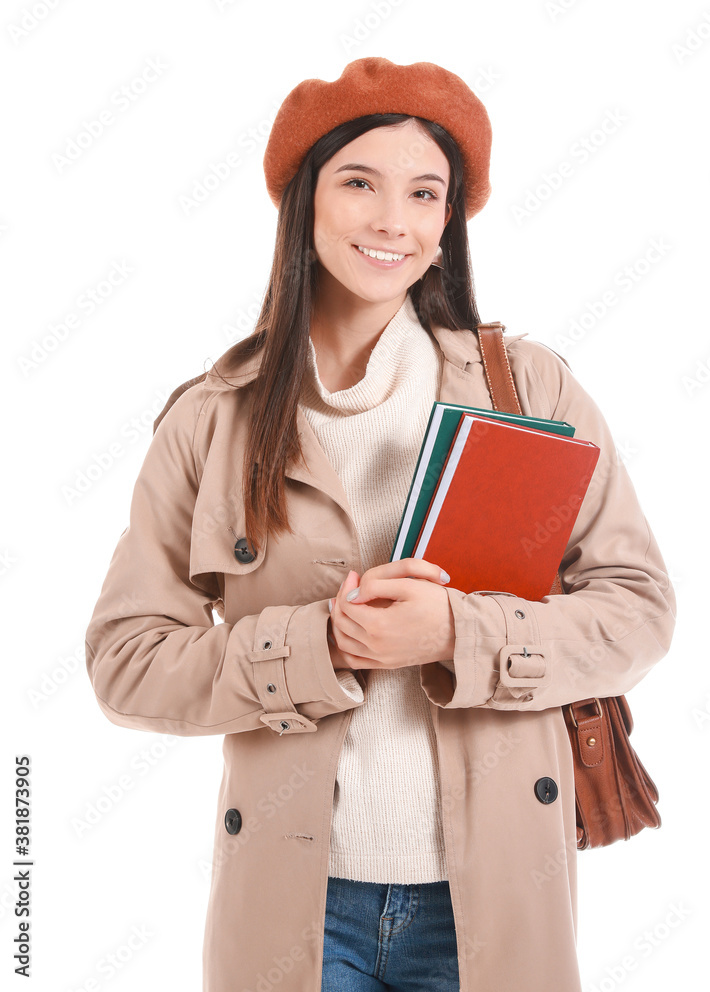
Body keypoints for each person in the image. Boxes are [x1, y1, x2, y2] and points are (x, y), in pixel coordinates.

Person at [84, 56, 676, 992]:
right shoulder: (213, 417)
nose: (392, 219)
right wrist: (319, 644)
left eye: (424, 192)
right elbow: (125, 662)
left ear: (446, 225)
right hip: (295, 905)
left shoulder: (528, 391)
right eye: (359, 182)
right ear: (303, 204)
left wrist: (454, 632)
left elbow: (638, 611)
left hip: (491, 898)